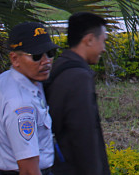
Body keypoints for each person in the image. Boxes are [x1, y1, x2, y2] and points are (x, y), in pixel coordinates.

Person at [0, 22, 58, 175]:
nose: (46, 61)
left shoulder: (3, 81)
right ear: (15, 59)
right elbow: (28, 170)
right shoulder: (21, 104)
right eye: (37, 56)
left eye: (50, 53)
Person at [45, 13, 111, 175]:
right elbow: (83, 135)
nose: (103, 48)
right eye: (102, 41)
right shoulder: (78, 77)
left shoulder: (60, 65)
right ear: (89, 40)